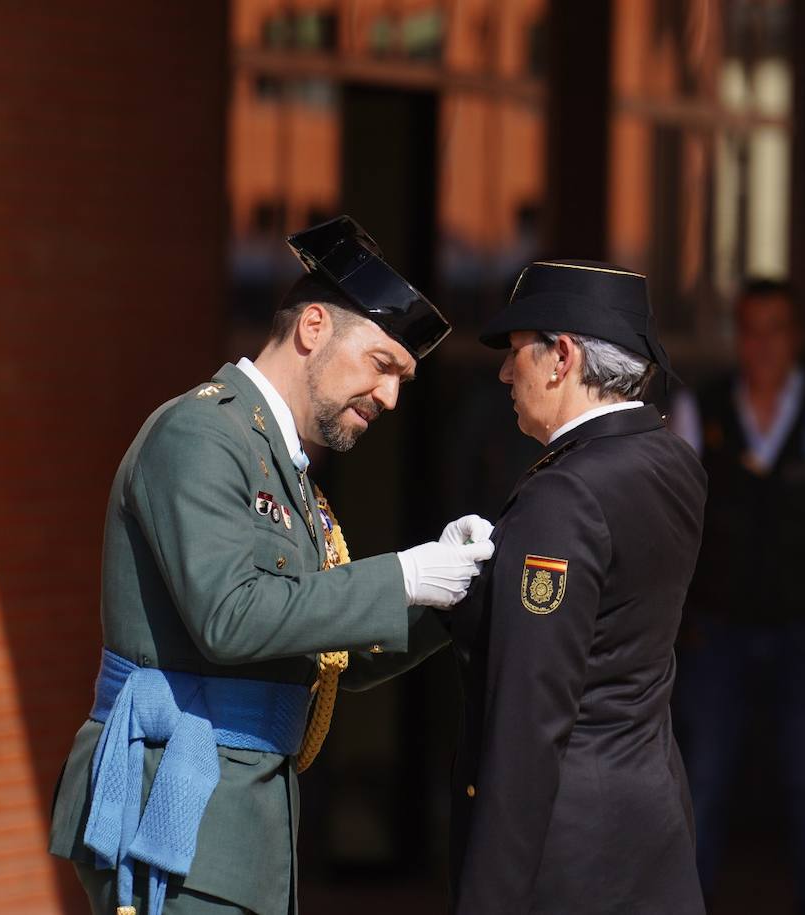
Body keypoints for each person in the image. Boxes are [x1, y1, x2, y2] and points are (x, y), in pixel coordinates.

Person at [48, 216, 495, 915]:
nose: (391, 397)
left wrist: (452, 594)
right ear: (313, 327)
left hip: (237, 825)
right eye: (383, 365)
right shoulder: (201, 432)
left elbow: (324, 649)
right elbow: (232, 617)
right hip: (174, 817)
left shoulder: (279, 463)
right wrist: (401, 576)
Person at [446, 260, 708, 914]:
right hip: (652, 821)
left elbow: (528, 720)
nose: (507, 373)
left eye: (516, 353)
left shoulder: (563, 496)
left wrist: (488, 899)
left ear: (562, 357)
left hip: (568, 854)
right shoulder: (669, 458)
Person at [669, 279, 805, 915]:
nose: (763, 344)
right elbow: (677, 509)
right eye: (751, 328)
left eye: (776, 329)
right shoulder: (702, 406)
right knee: (701, 782)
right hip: (718, 625)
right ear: (739, 335)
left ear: (795, 337)